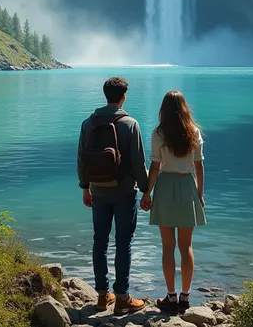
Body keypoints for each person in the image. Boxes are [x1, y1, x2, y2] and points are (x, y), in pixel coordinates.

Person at [77, 77, 148, 316]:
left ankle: (100, 296)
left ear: (105, 94)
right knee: (123, 243)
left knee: (100, 241)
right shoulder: (130, 124)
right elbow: (139, 163)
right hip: (125, 192)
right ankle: (122, 298)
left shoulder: (88, 123)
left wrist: (85, 188)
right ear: (123, 97)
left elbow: (81, 159)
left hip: (97, 190)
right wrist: (147, 189)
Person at [140, 90, 206, 314]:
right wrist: (200, 194)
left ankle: (171, 296)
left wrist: (147, 193)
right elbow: (199, 166)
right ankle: (186, 298)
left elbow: (155, 167)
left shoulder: (158, 133)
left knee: (168, 246)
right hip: (188, 186)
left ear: (163, 110)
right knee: (186, 246)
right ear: (185, 108)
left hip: (166, 187)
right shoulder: (194, 132)